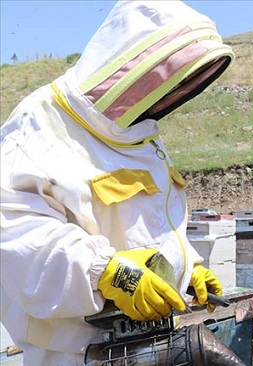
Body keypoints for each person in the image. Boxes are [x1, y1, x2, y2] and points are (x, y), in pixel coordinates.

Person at [0, 1, 235, 365]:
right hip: (73, 351)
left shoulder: (139, 134)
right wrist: (105, 272)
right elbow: (16, 235)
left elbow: (148, 220)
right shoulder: (39, 125)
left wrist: (187, 268)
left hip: (147, 339)